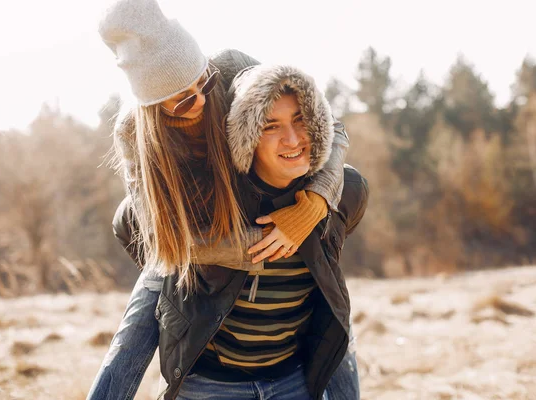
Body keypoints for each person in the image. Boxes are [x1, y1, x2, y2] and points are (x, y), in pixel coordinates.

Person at [88, 0, 359, 399]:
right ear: (152, 108)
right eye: (181, 99)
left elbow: (326, 125)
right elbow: (156, 231)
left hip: (253, 201)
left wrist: (315, 204)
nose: (200, 100)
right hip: (185, 239)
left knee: (327, 301)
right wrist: (262, 247)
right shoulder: (135, 135)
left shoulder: (231, 67)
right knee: (132, 338)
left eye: (205, 81)